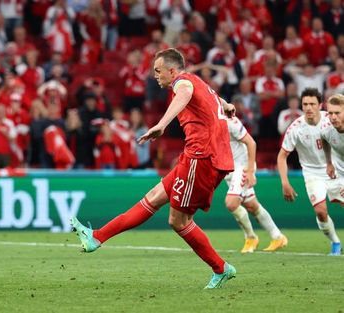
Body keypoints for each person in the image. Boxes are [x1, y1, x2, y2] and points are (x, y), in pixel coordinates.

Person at [71, 48, 237, 289]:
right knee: (153, 198)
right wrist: (227, 104)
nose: (155, 76)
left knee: (178, 221)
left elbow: (185, 93)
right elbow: (211, 98)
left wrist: (161, 124)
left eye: (158, 71)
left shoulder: (183, 83)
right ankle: (97, 237)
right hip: (198, 156)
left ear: (172, 70)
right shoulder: (196, 80)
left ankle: (220, 268)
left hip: (202, 157)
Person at [277, 88, 341, 256]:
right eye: (305, 104)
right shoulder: (296, 127)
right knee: (321, 211)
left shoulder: (332, 119)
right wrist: (285, 182)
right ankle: (335, 242)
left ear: (320, 105)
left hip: (336, 170)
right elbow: (282, 156)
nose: (308, 108)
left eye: (312, 104)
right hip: (312, 173)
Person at [225, 115, 288, 253]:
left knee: (231, 203)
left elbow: (251, 143)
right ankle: (277, 237)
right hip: (229, 170)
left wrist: (251, 170)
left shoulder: (229, 122)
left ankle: (251, 237)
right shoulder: (207, 123)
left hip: (242, 167)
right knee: (252, 205)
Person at [321, 94, 344, 207]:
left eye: (337, 113)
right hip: (341, 171)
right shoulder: (326, 128)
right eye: (330, 113)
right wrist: (329, 162)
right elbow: (324, 139)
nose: (333, 117)